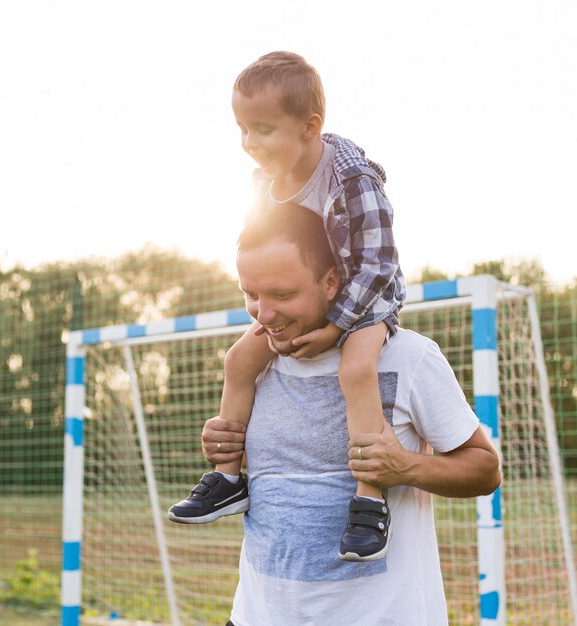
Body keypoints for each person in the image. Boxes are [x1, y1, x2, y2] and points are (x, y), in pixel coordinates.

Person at [201, 203, 501, 626]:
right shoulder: (253, 364)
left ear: (331, 281)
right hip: (255, 616)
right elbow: (288, 470)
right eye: (251, 294)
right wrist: (227, 445)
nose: (263, 315)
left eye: (282, 294)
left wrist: (406, 467)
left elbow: (485, 470)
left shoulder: (408, 356)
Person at [169, 51, 407, 562]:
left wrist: (336, 324)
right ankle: (228, 477)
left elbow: (380, 263)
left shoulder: (352, 177)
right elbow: (264, 256)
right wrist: (266, 305)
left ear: (309, 126)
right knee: (238, 360)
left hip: (365, 302)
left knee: (358, 369)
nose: (250, 144)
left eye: (263, 130)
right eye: (242, 130)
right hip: (306, 304)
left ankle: (369, 498)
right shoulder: (264, 182)